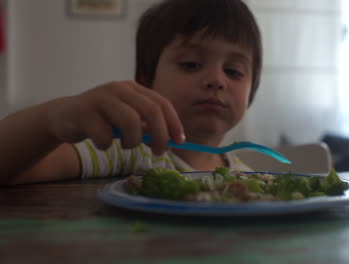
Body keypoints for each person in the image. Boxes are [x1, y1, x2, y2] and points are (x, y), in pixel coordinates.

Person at [0, 0, 262, 185]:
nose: (216, 80)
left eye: (234, 71)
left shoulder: (246, 178)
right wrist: (52, 119)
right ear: (146, 80)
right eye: (191, 64)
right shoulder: (126, 149)